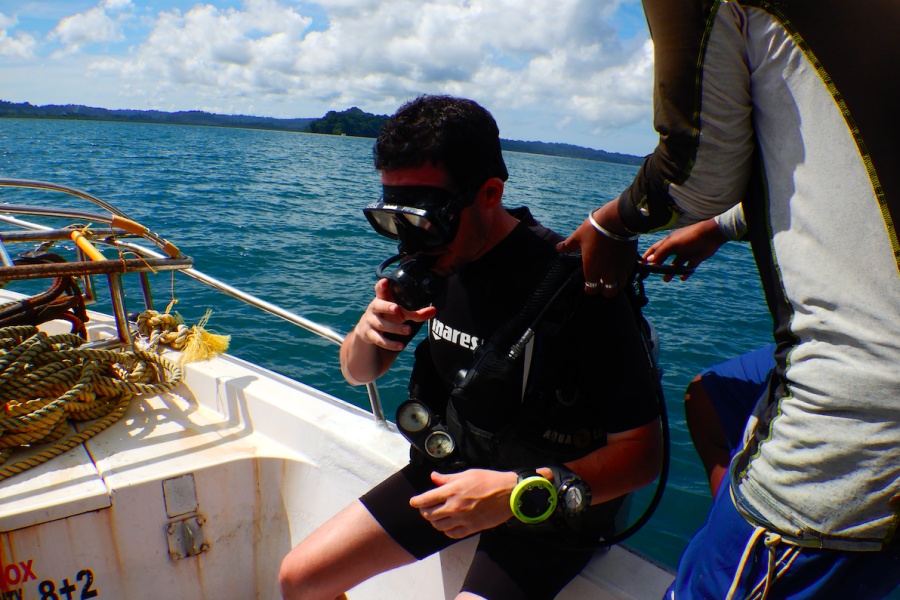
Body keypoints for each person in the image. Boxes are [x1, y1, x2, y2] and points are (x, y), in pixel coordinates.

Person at [558, 2, 900, 598]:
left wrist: (610, 225)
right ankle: (735, 520)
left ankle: (756, 531)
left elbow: (696, 170)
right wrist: (720, 227)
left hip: (865, 414)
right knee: (713, 399)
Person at [278, 95, 663, 600]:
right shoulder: (436, 263)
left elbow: (642, 455)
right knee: (298, 579)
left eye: (427, 219)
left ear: (488, 192)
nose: (411, 243)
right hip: (450, 471)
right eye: (395, 219)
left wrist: (512, 493)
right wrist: (368, 332)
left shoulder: (577, 287)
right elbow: (358, 372)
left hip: (542, 505)